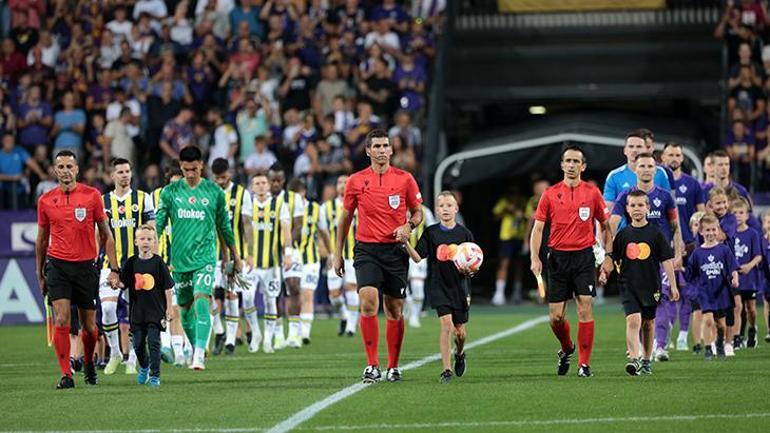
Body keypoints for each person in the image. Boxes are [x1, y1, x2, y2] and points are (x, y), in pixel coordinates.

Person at [334, 129, 423, 383]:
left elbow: (418, 213)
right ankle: (372, 364)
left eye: (386, 145)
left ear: (392, 150)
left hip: (395, 251)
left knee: (394, 308)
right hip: (366, 249)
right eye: (377, 146)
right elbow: (346, 218)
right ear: (368, 151)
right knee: (368, 301)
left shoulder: (405, 179)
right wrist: (337, 254)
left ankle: (393, 366)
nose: (382, 150)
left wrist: (409, 226)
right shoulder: (355, 181)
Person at [36, 150, 121, 389]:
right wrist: (39, 273)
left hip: (86, 266)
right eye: (60, 167)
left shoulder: (92, 196)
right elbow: (41, 240)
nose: (65, 171)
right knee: (62, 318)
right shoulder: (45, 200)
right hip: (57, 265)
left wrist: (114, 268)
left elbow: (106, 234)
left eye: (69, 166)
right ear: (55, 170)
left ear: (77, 169)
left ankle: (89, 362)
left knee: (90, 327)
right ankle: (67, 374)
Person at [154, 145, 241, 370]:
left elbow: (225, 226)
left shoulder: (214, 193)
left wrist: (235, 256)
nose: (190, 174)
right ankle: (195, 348)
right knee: (184, 309)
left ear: (201, 165)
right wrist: (150, 254)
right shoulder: (170, 193)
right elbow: (158, 226)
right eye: (186, 170)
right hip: (179, 261)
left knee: (202, 300)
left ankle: (200, 354)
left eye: (194, 169)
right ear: (181, 168)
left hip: (205, 258)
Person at [530, 144, 612, 378]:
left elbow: (605, 227)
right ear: (562, 165)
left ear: (583, 166)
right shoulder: (550, 193)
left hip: (584, 256)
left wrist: (607, 256)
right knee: (556, 317)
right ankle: (567, 347)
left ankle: (584, 365)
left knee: (585, 305)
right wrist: (535, 258)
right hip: (557, 258)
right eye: (568, 161)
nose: (572, 165)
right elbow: (537, 229)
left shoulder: (593, 193)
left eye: (576, 161)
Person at [609, 153, 684, 361]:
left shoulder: (665, 196)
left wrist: (678, 252)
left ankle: (659, 346)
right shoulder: (625, 196)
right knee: (636, 313)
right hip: (633, 256)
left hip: (660, 257)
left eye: (650, 166)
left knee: (662, 303)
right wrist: (610, 248)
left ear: (655, 169)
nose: (645, 169)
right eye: (641, 165)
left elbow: (675, 226)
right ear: (635, 169)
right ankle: (639, 350)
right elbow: (613, 222)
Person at [600, 190, 678, 376]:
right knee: (633, 320)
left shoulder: (656, 234)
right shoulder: (623, 235)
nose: (636, 209)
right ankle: (634, 359)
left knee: (648, 323)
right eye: (633, 205)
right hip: (628, 285)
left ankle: (646, 359)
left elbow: (666, 261)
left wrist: (673, 286)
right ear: (627, 208)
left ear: (648, 208)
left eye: (640, 205)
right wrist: (604, 272)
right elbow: (613, 258)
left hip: (651, 285)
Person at [404, 191, 474, 383]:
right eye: (441, 206)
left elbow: (474, 261)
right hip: (439, 286)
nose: (445, 209)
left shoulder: (464, 233)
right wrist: (405, 243)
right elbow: (418, 257)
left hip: (460, 287)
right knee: (446, 325)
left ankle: (460, 354)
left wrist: (470, 271)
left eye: (449, 205)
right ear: (436, 209)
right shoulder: (431, 232)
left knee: (460, 333)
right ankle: (446, 369)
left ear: (456, 208)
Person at [100, 158, 155, 376]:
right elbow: (99, 235)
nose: (124, 175)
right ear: (112, 176)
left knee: (136, 314)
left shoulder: (143, 199)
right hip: (110, 265)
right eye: (120, 172)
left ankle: (132, 358)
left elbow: (152, 231)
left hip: (137, 266)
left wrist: (154, 261)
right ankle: (114, 353)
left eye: (127, 171)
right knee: (108, 309)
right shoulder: (102, 201)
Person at [660, 142, 706, 351]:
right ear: (663, 157)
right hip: (666, 246)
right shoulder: (659, 183)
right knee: (668, 290)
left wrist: (697, 242)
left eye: (678, 154)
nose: (675, 158)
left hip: (690, 244)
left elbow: (701, 215)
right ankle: (667, 331)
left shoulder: (693, 184)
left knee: (689, 292)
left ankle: (683, 335)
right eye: (671, 154)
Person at [210, 158, 255, 355]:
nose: (221, 181)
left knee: (231, 293)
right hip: (210, 252)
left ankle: (230, 340)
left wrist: (250, 253)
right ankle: (219, 330)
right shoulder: (208, 192)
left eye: (224, 176)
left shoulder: (241, 193)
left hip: (234, 252)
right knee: (208, 293)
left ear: (230, 173)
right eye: (217, 178)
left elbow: (247, 224)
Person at [120, 224, 174, 388]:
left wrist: (169, 308)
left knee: (153, 343)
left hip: (155, 312)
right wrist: (116, 283)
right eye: (142, 238)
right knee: (137, 344)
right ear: (136, 241)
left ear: (155, 242)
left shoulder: (159, 263)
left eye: (149, 239)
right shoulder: (132, 262)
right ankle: (144, 365)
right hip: (137, 312)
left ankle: (155, 375)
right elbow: (124, 283)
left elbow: (168, 287)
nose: (145, 242)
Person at [248, 172, 292, 353]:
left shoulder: (279, 204)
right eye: (257, 183)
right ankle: (256, 333)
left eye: (263, 182)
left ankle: (267, 340)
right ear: (252, 187)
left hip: (272, 264)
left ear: (268, 186)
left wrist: (288, 253)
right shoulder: (247, 204)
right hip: (249, 263)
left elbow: (286, 230)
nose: (260, 186)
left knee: (270, 301)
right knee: (247, 299)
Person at [685, 214, 740, 360]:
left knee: (720, 323)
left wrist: (735, 277)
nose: (710, 233)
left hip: (721, 291)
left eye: (713, 230)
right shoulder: (697, 252)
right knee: (708, 320)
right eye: (707, 230)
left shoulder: (724, 250)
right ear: (701, 232)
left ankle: (720, 343)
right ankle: (709, 348)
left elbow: (732, 267)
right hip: (705, 292)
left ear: (718, 230)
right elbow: (691, 273)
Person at [152, 162, 188, 366]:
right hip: (160, 263)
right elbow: (150, 230)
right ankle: (168, 347)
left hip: (181, 264)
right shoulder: (154, 198)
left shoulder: (188, 201)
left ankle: (179, 351)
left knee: (176, 309)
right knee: (162, 309)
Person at [267, 163, 305, 349]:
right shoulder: (261, 199)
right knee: (274, 293)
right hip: (268, 253)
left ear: (283, 180)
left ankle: (294, 333)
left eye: (278, 180)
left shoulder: (294, 199)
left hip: (292, 250)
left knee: (294, 287)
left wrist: (286, 248)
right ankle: (278, 334)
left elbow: (297, 226)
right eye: (272, 180)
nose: (275, 183)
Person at [319, 175, 360, 337]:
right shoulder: (326, 208)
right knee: (334, 295)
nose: (343, 185)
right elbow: (323, 233)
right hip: (335, 256)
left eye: (346, 182)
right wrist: (329, 253)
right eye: (340, 182)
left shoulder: (359, 207)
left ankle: (351, 327)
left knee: (351, 288)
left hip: (353, 256)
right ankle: (344, 316)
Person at [289, 178, 323, 344]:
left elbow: (324, 232)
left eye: (299, 193)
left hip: (311, 259)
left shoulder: (316, 209)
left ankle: (304, 333)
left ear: (304, 193)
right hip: (292, 258)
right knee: (295, 294)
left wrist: (331, 253)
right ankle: (293, 333)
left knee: (307, 294)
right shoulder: (285, 209)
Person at [603, 130, 671, 212]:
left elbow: (669, 205)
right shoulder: (614, 176)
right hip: (624, 225)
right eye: (631, 146)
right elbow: (608, 208)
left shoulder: (660, 173)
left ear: (646, 149)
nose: (634, 150)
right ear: (625, 150)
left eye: (639, 147)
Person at [730, 198, 762, 352]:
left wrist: (749, 266)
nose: (738, 216)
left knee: (751, 308)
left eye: (741, 212)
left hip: (749, 278)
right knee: (738, 307)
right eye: (735, 213)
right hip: (735, 278)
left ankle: (752, 329)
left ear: (747, 215)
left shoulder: (752, 233)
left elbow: (758, 255)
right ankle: (738, 337)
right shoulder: (729, 234)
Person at [406, 203, 436, 327]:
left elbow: (433, 232)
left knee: (418, 286)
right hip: (399, 253)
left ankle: (414, 316)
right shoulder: (396, 208)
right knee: (400, 286)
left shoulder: (425, 211)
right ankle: (407, 305)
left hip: (419, 255)